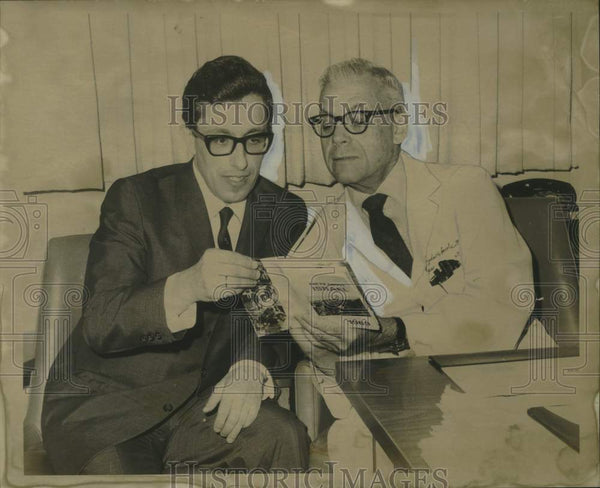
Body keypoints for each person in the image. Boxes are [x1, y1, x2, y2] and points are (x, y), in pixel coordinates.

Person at [42, 56, 309, 475]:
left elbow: (282, 320)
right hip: (109, 410)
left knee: (283, 435)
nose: (240, 163)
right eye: (220, 140)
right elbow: (101, 321)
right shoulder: (136, 198)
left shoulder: (284, 212)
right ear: (193, 133)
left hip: (202, 409)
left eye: (255, 140)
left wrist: (252, 365)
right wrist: (185, 287)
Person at [288, 58, 535, 468]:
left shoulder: (465, 188)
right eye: (327, 122)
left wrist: (398, 331)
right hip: (396, 408)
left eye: (357, 119)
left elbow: (503, 306)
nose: (337, 138)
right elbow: (323, 352)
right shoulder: (316, 240)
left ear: (399, 125)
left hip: (505, 387)